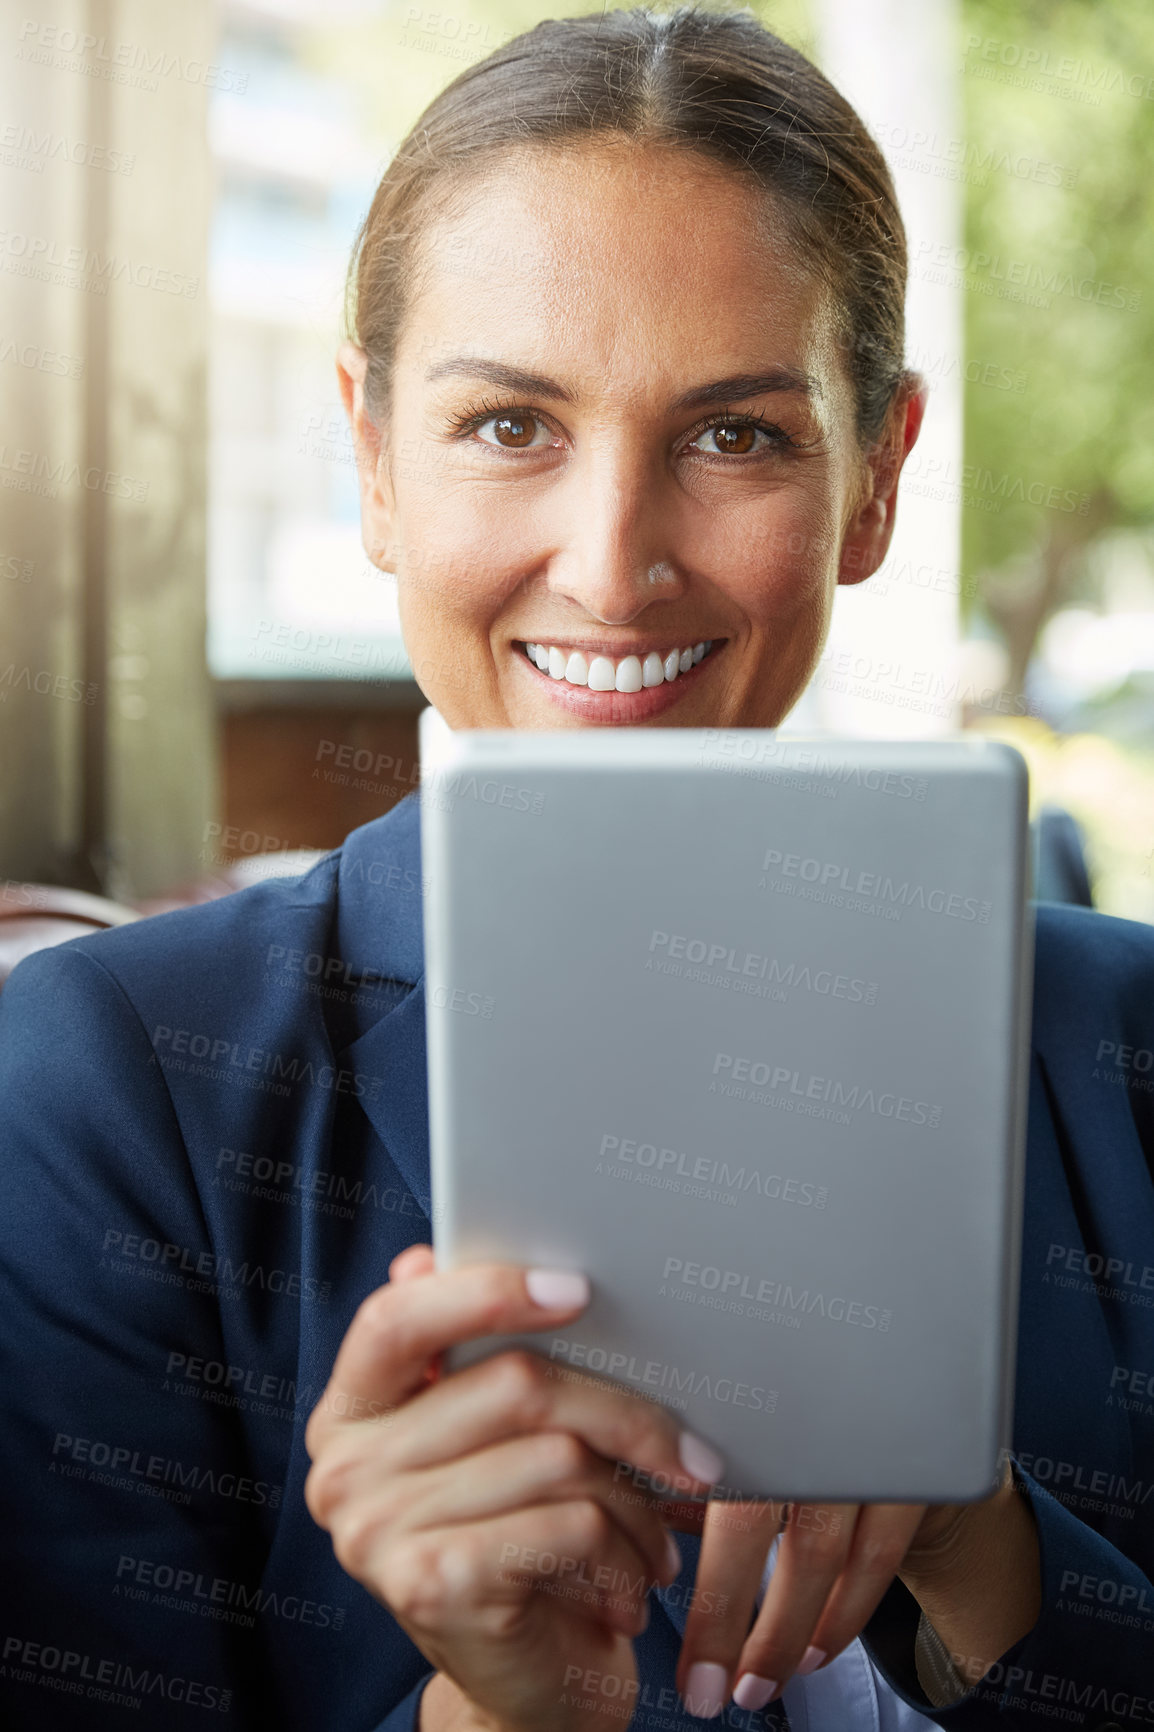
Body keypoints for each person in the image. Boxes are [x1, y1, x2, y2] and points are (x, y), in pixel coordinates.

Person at [1, 7, 1152, 1729]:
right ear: (374, 457)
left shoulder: (1126, 1056)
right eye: (507, 427)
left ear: (876, 478)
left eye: (737, 434)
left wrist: (989, 1557)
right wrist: (496, 1715)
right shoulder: (103, 1089)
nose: (610, 568)